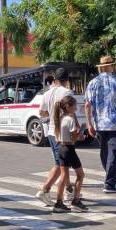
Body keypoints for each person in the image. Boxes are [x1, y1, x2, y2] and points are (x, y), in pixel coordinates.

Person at [84, 56, 116, 193]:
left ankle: (109, 175)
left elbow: (87, 105)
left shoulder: (93, 83)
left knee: (104, 152)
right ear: (111, 67)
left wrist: (89, 123)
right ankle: (109, 183)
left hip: (99, 124)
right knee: (113, 152)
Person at [36, 68, 74, 206]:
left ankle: (68, 190)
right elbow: (71, 112)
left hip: (51, 133)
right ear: (67, 80)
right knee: (60, 165)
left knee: (63, 163)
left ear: (55, 79)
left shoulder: (47, 93)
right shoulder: (67, 92)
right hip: (62, 133)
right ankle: (45, 190)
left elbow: (42, 112)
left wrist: (52, 116)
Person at [52, 96, 88, 213]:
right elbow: (73, 138)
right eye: (75, 106)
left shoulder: (61, 118)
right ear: (68, 106)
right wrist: (81, 134)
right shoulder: (70, 119)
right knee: (81, 175)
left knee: (63, 176)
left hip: (61, 148)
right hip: (69, 148)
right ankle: (76, 201)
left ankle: (59, 203)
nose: (76, 108)